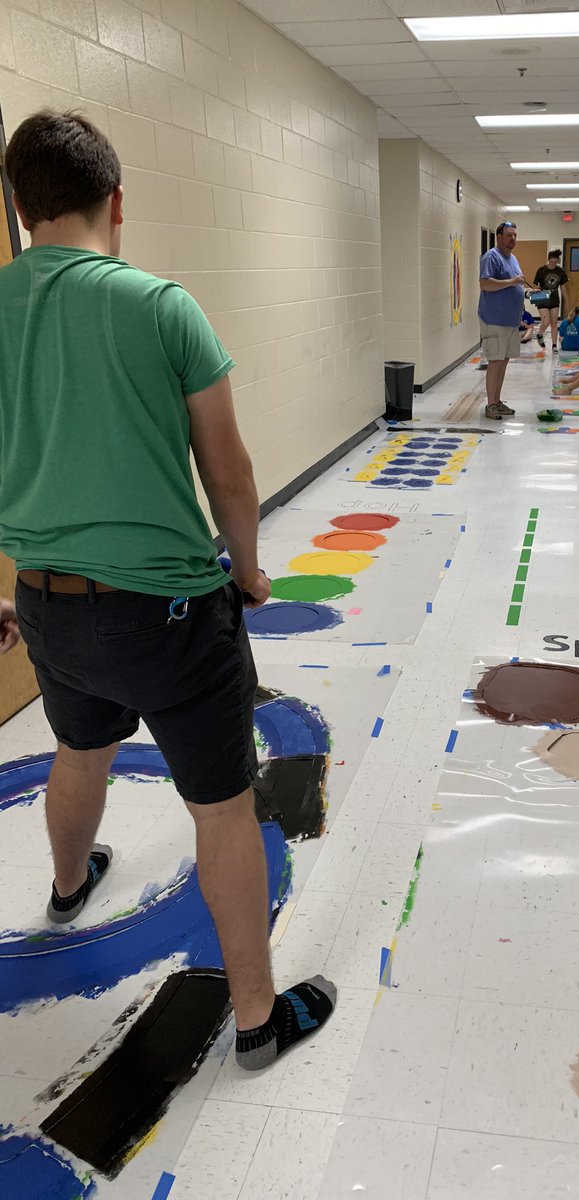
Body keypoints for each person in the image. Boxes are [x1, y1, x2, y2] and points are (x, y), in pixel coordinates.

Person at [0, 110, 335, 1072]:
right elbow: (227, 471)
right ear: (117, 202)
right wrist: (251, 567)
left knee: (79, 747)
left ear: (20, 209)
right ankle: (260, 1019)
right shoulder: (159, 305)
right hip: (171, 614)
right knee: (222, 808)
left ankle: (67, 886)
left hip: (48, 605)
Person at [478, 220, 526, 419]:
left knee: (504, 361)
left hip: (511, 321)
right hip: (494, 319)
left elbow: (514, 285)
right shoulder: (492, 257)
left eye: (515, 235)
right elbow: (485, 284)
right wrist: (512, 282)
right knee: (495, 362)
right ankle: (490, 405)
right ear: (499, 237)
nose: (512, 239)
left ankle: (497, 402)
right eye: (508, 235)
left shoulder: (513, 258)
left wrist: (527, 291)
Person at [530, 249, 568, 352]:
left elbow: (563, 287)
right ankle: (540, 334)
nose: (553, 264)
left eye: (555, 262)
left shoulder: (561, 271)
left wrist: (567, 300)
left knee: (554, 322)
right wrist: (536, 291)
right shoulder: (541, 270)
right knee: (546, 322)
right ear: (548, 260)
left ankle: (554, 345)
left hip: (555, 299)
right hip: (543, 297)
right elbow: (535, 285)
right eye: (551, 262)